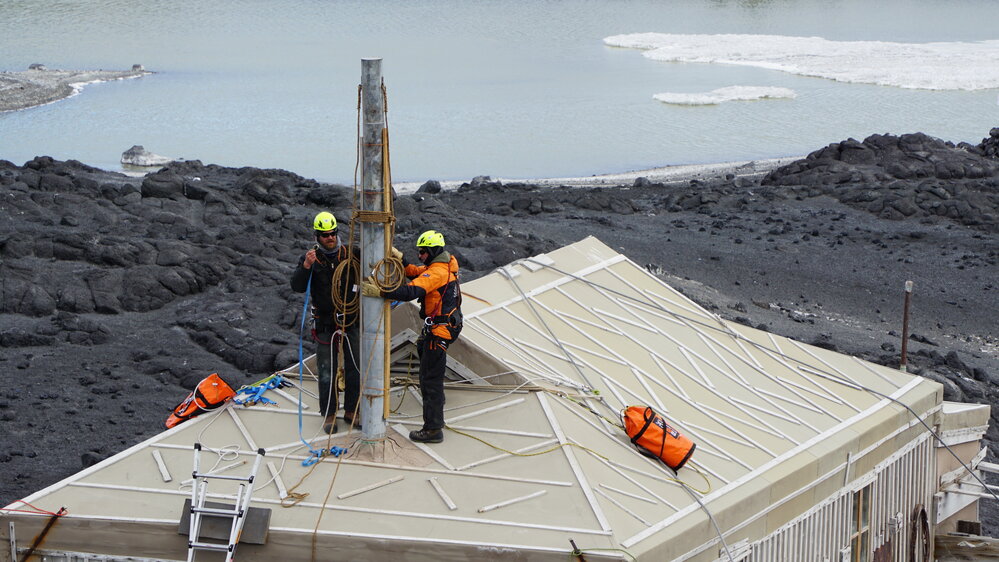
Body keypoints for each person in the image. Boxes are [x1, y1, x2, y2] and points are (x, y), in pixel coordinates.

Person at [362, 229, 462, 443]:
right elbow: (417, 272)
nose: (420, 255)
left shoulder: (437, 273)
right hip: (442, 327)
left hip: (439, 331)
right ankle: (437, 406)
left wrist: (380, 292)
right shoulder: (444, 265)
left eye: (423, 252)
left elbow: (411, 291)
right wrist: (401, 258)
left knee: (429, 380)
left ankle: (433, 429)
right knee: (430, 374)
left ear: (433, 251)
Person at [290, 212, 361, 434]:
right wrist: (306, 267)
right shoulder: (311, 258)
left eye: (332, 234)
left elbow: (371, 267)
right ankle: (330, 413)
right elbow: (298, 286)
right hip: (324, 322)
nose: (330, 238)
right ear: (317, 236)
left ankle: (352, 410)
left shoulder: (350, 254)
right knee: (326, 370)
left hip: (350, 318)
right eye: (325, 235)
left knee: (354, 367)